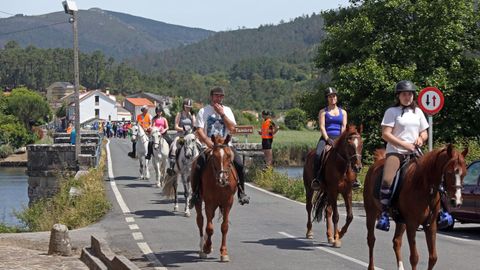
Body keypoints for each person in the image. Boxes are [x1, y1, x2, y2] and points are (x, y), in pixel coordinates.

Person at [376, 80, 429, 231]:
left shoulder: (418, 112)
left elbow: (424, 132)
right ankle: (384, 214)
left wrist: (421, 138)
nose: (408, 97)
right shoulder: (391, 112)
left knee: (433, 174)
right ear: (398, 95)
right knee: (387, 180)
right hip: (396, 152)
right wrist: (403, 144)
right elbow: (386, 134)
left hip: (414, 152)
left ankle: (441, 212)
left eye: (410, 94)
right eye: (404, 94)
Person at [189, 87, 250, 207]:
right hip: (209, 146)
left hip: (226, 146)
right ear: (211, 97)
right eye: (216, 96)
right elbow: (199, 130)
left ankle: (241, 192)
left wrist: (222, 114)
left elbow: (232, 128)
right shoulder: (203, 111)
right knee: (198, 166)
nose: (219, 98)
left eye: (221, 96)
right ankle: (195, 194)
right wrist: (208, 142)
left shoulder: (227, 110)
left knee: (239, 164)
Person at [311, 87, 361, 189]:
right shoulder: (323, 112)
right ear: (327, 99)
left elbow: (344, 126)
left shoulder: (343, 112)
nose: (332, 98)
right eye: (330, 96)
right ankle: (317, 179)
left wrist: (340, 139)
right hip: (327, 138)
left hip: (340, 138)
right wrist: (327, 139)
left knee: (352, 153)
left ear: (336, 97)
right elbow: (322, 127)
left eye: (334, 96)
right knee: (318, 154)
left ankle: (354, 179)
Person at [166, 98, 196, 175]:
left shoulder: (192, 115)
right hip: (181, 136)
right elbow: (176, 126)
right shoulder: (179, 114)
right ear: (184, 106)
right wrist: (182, 128)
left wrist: (193, 123)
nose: (188, 108)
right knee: (174, 146)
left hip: (189, 135)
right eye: (187, 107)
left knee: (199, 145)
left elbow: (194, 126)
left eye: (189, 107)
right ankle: (172, 167)